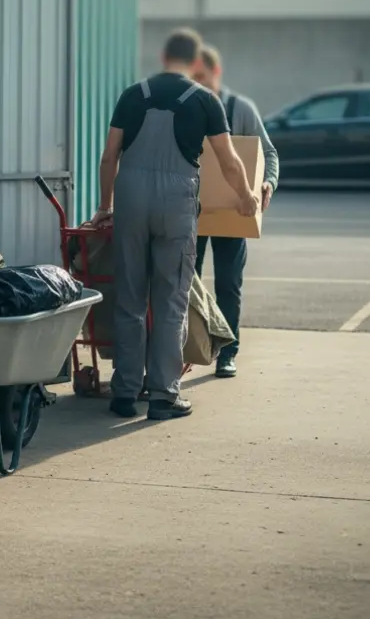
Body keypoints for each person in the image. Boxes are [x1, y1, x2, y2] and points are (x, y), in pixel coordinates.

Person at [91, 28, 258, 420]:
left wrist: (104, 204)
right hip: (176, 202)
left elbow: (109, 156)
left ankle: (125, 392)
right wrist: (247, 196)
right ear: (197, 63)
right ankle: (164, 396)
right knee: (170, 299)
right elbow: (229, 161)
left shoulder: (133, 95)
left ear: (164, 57)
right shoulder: (205, 100)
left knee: (130, 296)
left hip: (131, 199)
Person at [191, 44, 280, 378]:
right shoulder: (186, 106)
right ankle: (193, 347)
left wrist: (267, 184)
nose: (196, 81)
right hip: (191, 210)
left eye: (201, 76)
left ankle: (228, 352)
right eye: (192, 76)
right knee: (189, 281)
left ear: (216, 73)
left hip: (233, 210)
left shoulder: (239, 108)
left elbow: (268, 153)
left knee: (228, 283)